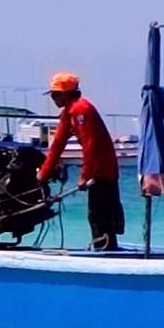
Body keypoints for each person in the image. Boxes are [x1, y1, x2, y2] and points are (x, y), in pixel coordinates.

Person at [34, 68, 125, 251]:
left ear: (66, 94)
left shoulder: (81, 110)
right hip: (98, 168)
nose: (53, 99)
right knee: (97, 213)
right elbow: (57, 145)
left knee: (99, 213)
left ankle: (106, 250)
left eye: (55, 95)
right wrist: (42, 174)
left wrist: (84, 176)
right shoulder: (69, 112)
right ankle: (106, 247)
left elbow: (91, 146)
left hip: (103, 170)